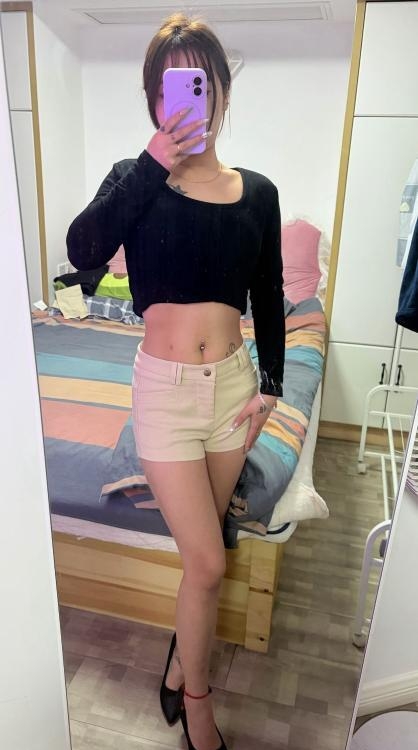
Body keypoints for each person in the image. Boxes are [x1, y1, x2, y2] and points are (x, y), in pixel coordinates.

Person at [66, 12, 285, 750]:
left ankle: (175, 662)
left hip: (233, 391)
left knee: (203, 560)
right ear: (155, 98)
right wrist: (154, 159)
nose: (188, 96)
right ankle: (197, 703)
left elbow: (268, 293)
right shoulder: (135, 180)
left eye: (200, 80)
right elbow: (83, 249)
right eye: (170, 85)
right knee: (211, 561)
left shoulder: (257, 192)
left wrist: (271, 388)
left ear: (220, 89)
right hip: (163, 393)